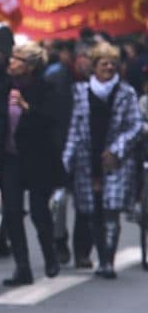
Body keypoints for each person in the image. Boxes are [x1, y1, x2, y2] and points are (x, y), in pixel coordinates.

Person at [62, 41, 143, 279]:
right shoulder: (80, 92)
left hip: (115, 161)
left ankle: (107, 260)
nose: (108, 67)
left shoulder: (126, 93)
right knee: (92, 211)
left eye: (112, 63)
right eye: (103, 63)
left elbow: (135, 126)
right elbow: (74, 129)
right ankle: (100, 255)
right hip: (87, 160)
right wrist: (66, 161)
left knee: (110, 210)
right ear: (94, 67)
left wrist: (117, 150)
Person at [0, 42, 66, 286]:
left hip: (38, 160)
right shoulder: (4, 87)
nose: (11, 62)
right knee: (12, 212)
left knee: (39, 212)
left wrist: (27, 108)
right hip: (10, 158)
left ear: (30, 66)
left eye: (18, 59)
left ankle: (50, 255)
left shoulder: (47, 88)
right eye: (11, 58)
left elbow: (53, 120)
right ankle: (22, 267)